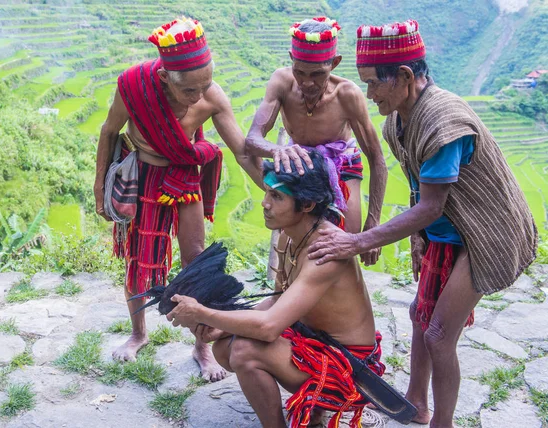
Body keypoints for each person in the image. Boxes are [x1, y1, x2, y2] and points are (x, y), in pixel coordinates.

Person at [307, 20, 538, 427]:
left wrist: (355, 242)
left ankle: (441, 422)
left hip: (485, 234)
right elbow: (420, 187)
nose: (369, 94)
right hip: (451, 230)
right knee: (420, 315)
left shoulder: (443, 124)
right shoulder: (398, 120)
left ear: (404, 77)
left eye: (374, 84)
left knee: (438, 336)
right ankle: (416, 400)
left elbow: (431, 206)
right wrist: (419, 239)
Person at [93, 17, 261, 381]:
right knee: (139, 264)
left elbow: (243, 152)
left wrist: (273, 190)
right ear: (165, 77)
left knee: (196, 263)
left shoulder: (212, 97)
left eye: (206, 85)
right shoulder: (134, 86)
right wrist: (98, 192)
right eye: (190, 90)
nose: (200, 96)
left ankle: (201, 349)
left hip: (185, 180)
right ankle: (138, 334)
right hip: (145, 179)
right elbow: (109, 131)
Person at [166, 152, 385, 428]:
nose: (264, 204)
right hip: (316, 342)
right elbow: (280, 298)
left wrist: (202, 312)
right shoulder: (289, 236)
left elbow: (269, 327)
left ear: (307, 204)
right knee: (224, 346)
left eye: (277, 197)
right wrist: (222, 328)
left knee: (245, 350)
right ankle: (311, 409)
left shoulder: (324, 252)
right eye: (267, 192)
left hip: (348, 367)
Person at [245, 16, 387, 265]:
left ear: (334, 63)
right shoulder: (281, 82)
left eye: (317, 74)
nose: (307, 82)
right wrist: (279, 151)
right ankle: (288, 293)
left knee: (346, 241)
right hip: (299, 164)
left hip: (341, 164)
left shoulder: (347, 95)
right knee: (291, 243)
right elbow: (253, 139)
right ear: (291, 59)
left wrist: (372, 225)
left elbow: (377, 159)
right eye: (299, 72)